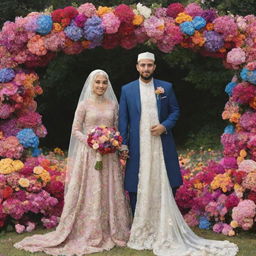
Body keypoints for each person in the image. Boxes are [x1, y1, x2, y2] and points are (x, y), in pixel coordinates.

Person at [118, 52, 238, 255]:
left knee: (165, 182)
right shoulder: (127, 90)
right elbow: (124, 120)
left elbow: (175, 111)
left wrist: (164, 126)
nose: (146, 69)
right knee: (137, 185)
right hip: (139, 146)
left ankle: (163, 225)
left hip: (161, 144)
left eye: (149, 65)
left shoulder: (166, 87)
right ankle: (141, 227)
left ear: (154, 67)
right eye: (142, 65)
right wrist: (124, 145)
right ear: (137, 67)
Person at [14, 69, 131, 256]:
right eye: (98, 82)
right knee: (91, 189)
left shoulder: (112, 105)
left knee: (109, 190)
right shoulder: (84, 104)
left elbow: (116, 128)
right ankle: (88, 230)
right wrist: (91, 141)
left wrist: (113, 142)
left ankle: (112, 230)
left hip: (108, 156)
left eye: (104, 82)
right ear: (91, 84)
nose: (101, 86)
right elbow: (76, 129)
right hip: (89, 155)